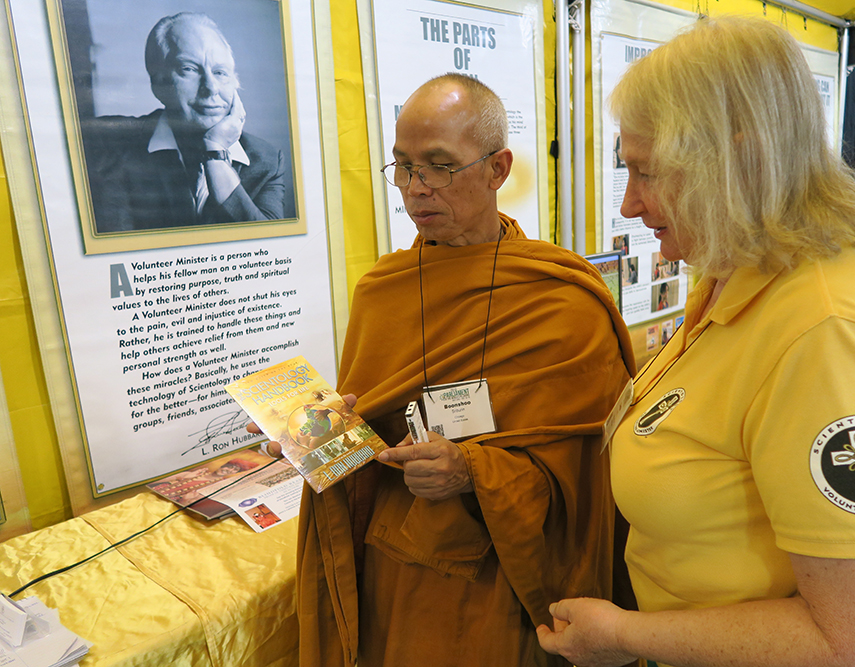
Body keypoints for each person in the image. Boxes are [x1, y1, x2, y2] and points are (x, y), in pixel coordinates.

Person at [536, 17, 855, 667]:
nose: (628, 204)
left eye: (647, 173)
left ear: (737, 158)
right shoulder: (739, 275)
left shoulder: (829, 334)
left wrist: (625, 634)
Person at [281, 73, 634, 666]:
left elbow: (591, 471)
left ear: (498, 169)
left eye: (438, 166)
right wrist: (308, 435)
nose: (416, 189)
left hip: (508, 578)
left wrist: (474, 471)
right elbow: (366, 435)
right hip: (398, 569)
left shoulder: (562, 298)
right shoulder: (382, 292)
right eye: (402, 166)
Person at [80, 12, 287, 233]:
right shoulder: (110, 144)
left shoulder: (267, 161)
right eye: (189, 69)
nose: (211, 87)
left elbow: (271, 246)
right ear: (159, 84)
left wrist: (215, 154)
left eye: (220, 72)